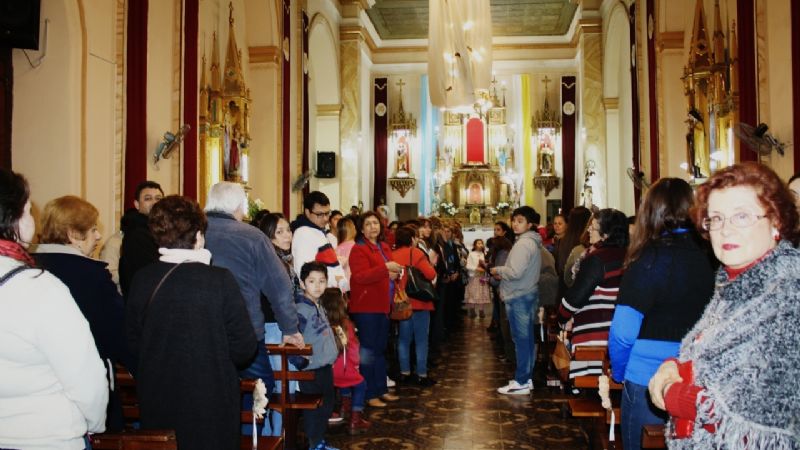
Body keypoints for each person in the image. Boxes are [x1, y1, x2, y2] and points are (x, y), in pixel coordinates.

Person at [648, 163, 800, 449]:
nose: (726, 229)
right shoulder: (735, 285)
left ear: (776, 221)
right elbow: (709, 355)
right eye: (715, 218)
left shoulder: (789, 294)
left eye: (741, 216)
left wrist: (669, 390)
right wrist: (673, 365)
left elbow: (751, 415)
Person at [126, 195, 257, 450]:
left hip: (158, 394)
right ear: (198, 236)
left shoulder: (143, 279)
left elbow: (132, 342)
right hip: (211, 396)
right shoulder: (219, 280)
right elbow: (244, 347)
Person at [0, 169, 108, 449]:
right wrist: (95, 424)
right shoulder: (39, 289)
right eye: (27, 210)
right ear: (12, 221)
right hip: (46, 436)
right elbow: (87, 379)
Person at [608, 178, 716, 450]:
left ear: (649, 211)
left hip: (647, 374)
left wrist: (620, 373)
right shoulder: (713, 255)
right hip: (697, 375)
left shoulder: (648, 260)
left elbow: (622, 333)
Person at [34, 195, 136, 431]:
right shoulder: (91, 275)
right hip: (85, 391)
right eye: (92, 230)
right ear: (72, 234)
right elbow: (119, 332)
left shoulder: (29, 266)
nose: (99, 236)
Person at [204, 182, 303, 395]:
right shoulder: (252, 236)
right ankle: (250, 429)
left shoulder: (193, 232)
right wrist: (290, 328)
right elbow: (279, 286)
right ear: (240, 206)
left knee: (210, 387)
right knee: (259, 388)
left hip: (203, 329)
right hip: (245, 328)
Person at [557, 208, 628, 379]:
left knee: (591, 386)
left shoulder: (597, 259)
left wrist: (562, 316)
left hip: (594, 333)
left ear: (606, 233)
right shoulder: (630, 255)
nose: (589, 230)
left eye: (594, 227)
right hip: (620, 334)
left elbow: (576, 296)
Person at [347, 211, 403, 407]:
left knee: (380, 349)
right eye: (368, 224)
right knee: (369, 351)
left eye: (376, 223)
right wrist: (386, 269)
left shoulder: (384, 247)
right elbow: (360, 276)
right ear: (362, 229)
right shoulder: (358, 249)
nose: (373, 226)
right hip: (366, 307)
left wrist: (395, 274)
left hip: (383, 305)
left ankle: (381, 389)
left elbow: (390, 272)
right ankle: (369, 394)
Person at [490, 206, 543, 395]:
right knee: (526, 339)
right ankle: (525, 378)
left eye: (520, 221)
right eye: (514, 220)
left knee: (521, 340)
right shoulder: (531, 241)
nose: (514, 224)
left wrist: (497, 270)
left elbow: (514, 272)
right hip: (526, 293)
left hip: (519, 295)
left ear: (529, 224)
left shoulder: (523, 243)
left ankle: (521, 381)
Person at [293, 263, 340, 450]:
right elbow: (291, 338)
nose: (317, 286)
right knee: (313, 410)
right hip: (311, 370)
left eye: (322, 281)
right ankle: (314, 444)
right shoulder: (300, 309)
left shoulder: (317, 304)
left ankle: (319, 441)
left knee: (326, 406)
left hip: (324, 367)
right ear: (303, 284)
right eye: (312, 281)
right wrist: (302, 362)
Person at [318, 288, 371, 435]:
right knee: (360, 385)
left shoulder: (322, 324)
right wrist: (356, 364)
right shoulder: (346, 324)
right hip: (346, 368)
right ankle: (355, 419)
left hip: (329, 370)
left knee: (343, 384)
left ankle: (344, 408)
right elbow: (353, 349)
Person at [392, 225, 438, 387]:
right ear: (412, 239)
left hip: (401, 302)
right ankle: (421, 374)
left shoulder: (392, 255)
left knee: (403, 339)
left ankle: (404, 372)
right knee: (421, 340)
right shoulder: (416, 253)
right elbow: (430, 274)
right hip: (420, 302)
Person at [291, 191, 348, 291]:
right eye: (320, 214)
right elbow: (306, 273)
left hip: (330, 294)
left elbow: (327, 262)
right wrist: (336, 280)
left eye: (327, 213)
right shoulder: (303, 233)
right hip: (319, 297)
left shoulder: (318, 231)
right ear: (307, 212)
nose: (325, 218)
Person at [119, 180, 164, 297]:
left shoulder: (162, 230)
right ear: (137, 204)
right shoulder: (137, 234)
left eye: (158, 198)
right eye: (148, 198)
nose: (154, 202)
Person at [464, 238, 491, 318]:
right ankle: (472, 310)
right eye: (478, 243)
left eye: (481, 243)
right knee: (473, 294)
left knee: (482, 294)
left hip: (482, 277)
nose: (480, 245)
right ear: (474, 245)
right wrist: (476, 268)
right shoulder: (471, 254)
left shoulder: (484, 254)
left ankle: (481, 311)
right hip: (474, 277)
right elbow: (468, 265)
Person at [335, 217, 357, 281]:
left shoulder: (336, 250)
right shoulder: (358, 248)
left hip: (342, 286)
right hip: (354, 285)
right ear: (353, 229)